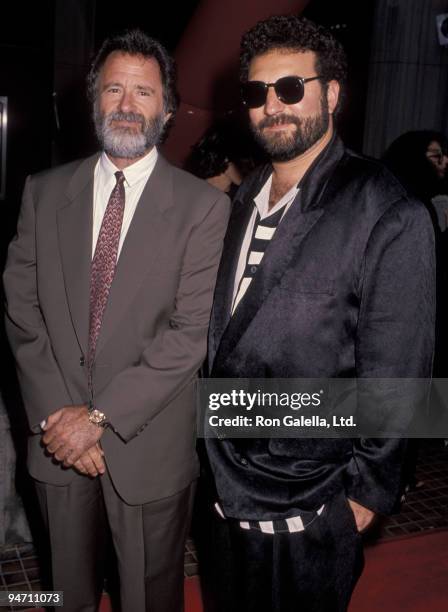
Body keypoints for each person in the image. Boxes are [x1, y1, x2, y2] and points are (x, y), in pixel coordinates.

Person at [203, 16, 435, 612]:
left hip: (312, 495)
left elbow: (399, 373)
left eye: (290, 88)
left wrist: (366, 491)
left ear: (332, 93)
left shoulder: (385, 210)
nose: (271, 107)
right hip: (227, 484)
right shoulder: (244, 198)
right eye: (257, 93)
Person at [3, 29, 230, 612]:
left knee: (150, 599)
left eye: (144, 93)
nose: (127, 105)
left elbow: (189, 333)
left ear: (169, 108)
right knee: (66, 593)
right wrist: (62, 418)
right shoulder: (43, 193)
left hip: (149, 444)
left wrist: (98, 417)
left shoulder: (205, 208)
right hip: (57, 439)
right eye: (114, 89)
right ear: (93, 100)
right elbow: (21, 306)